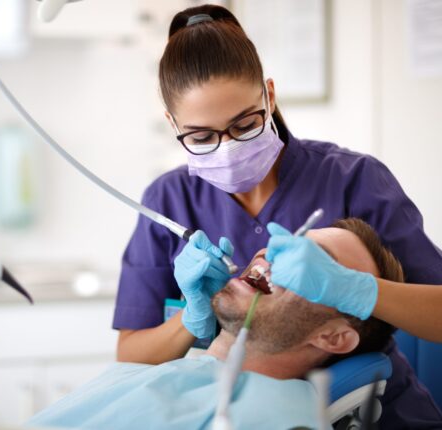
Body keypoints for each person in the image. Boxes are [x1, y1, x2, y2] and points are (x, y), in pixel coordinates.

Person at [113, 4, 442, 427]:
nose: (227, 146)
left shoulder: (352, 179)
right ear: (172, 123)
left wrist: (359, 290)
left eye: (244, 124)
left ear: (269, 96)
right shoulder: (169, 200)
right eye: (201, 136)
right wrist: (193, 318)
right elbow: (131, 356)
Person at [30, 219, 401, 429]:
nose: (273, 253)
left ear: (333, 337)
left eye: (315, 261)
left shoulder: (275, 417)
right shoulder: (159, 372)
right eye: (289, 242)